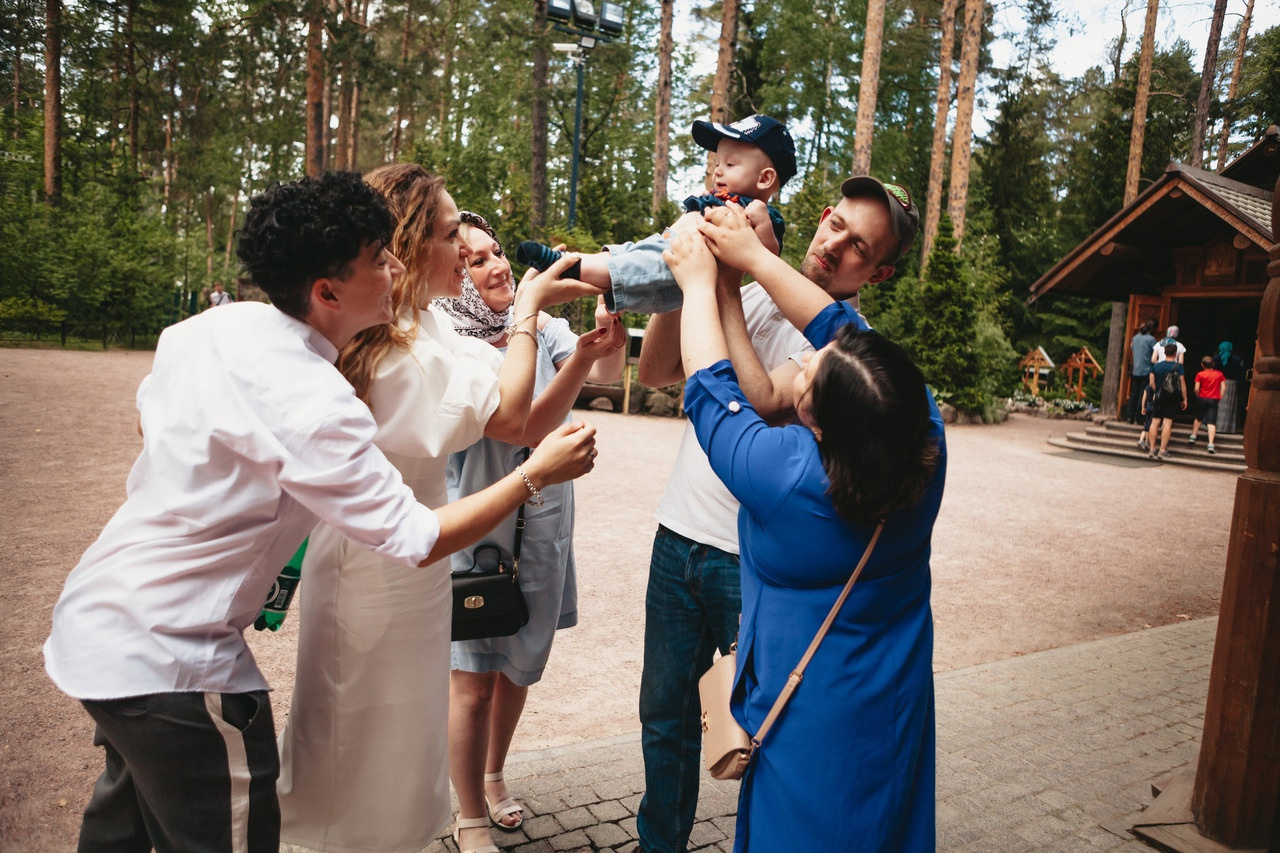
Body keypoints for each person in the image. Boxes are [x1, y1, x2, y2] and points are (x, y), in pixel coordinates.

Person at [42, 171, 596, 853]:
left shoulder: (214, 328)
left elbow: (147, 415)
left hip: (97, 617)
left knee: (119, 829)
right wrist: (533, 475)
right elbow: (417, 536)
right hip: (173, 656)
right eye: (380, 260)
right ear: (328, 292)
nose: (397, 267)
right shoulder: (319, 402)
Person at [276, 165, 599, 853]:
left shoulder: (424, 325)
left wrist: (558, 343)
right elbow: (510, 417)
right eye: (454, 235)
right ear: (408, 243)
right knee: (358, 747)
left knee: (405, 752)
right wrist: (528, 309)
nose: (467, 250)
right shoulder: (391, 350)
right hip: (375, 570)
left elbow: (516, 417)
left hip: (419, 570)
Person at [632, 175, 920, 853]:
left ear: (879, 273)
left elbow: (753, 402)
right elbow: (655, 372)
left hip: (747, 561)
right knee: (664, 714)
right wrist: (695, 278)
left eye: (860, 246)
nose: (835, 244)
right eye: (836, 223)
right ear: (820, 216)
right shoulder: (761, 283)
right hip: (680, 535)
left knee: (761, 729)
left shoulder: (854, 361)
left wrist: (720, 283)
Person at [440, 213, 626, 853]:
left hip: (543, 522)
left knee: (518, 668)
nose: (496, 265)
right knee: (472, 683)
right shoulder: (448, 343)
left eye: (497, 252)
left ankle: (494, 774)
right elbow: (522, 424)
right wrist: (561, 340)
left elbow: (605, 376)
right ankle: (469, 815)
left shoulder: (542, 327)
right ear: (453, 273)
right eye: (475, 260)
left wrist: (603, 335)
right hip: (477, 522)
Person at [515, 114, 796, 314]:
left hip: (686, 266)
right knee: (629, 252)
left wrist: (761, 223)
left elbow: (767, 261)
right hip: (667, 246)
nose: (718, 172)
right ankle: (574, 262)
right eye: (717, 164)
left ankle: (569, 266)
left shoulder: (760, 213)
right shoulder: (719, 196)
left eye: (730, 164)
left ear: (765, 178)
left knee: (639, 263)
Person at [1147, 342, 1187, 460]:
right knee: (1167, 423)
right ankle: (1162, 449)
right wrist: (1184, 398)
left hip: (1158, 396)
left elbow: (1151, 382)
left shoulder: (1156, 366)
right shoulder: (1178, 367)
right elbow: (1182, 383)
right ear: (1175, 354)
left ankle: (1152, 448)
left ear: (1164, 353)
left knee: (1155, 422)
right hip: (1171, 398)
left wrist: (1157, 391)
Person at [1187, 355, 1224, 453]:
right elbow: (1223, 387)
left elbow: (1196, 388)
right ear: (1213, 364)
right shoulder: (1219, 374)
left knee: (1198, 417)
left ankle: (1193, 435)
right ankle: (1210, 443)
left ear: (1202, 365)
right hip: (1214, 399)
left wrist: (1198, 395)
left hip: (1202, 397)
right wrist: (1220, 396)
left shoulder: (1200, 374)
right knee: (1211, 422)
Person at [1128, 320, 1156, 430]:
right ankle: (1138, 416)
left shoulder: (1135, 338)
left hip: (1136, 369)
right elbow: (1156, 352)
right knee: (1143, 394)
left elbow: (1131, 348)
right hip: (1146, 369)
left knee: (1134, 393)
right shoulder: (1151, 340)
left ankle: (1129, 415)